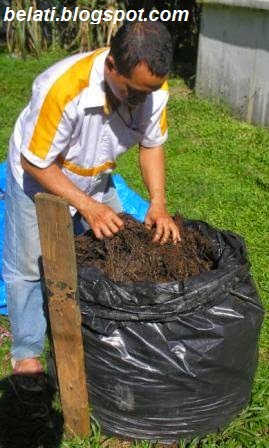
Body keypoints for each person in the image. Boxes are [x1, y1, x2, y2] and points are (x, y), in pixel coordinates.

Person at [3, 20, 180, 375]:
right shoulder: (63, 88)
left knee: (124, 244)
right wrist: (87, 206)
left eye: (151, 90)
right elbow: (34, 162)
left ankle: (105, 326)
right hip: (37, 177)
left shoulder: (153, 89)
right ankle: (27, 352)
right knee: (28, 267)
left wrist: (157, 202)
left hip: (95, 174)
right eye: (134, 91)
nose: (144, 99)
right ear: (112, 67)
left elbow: (151, 145)